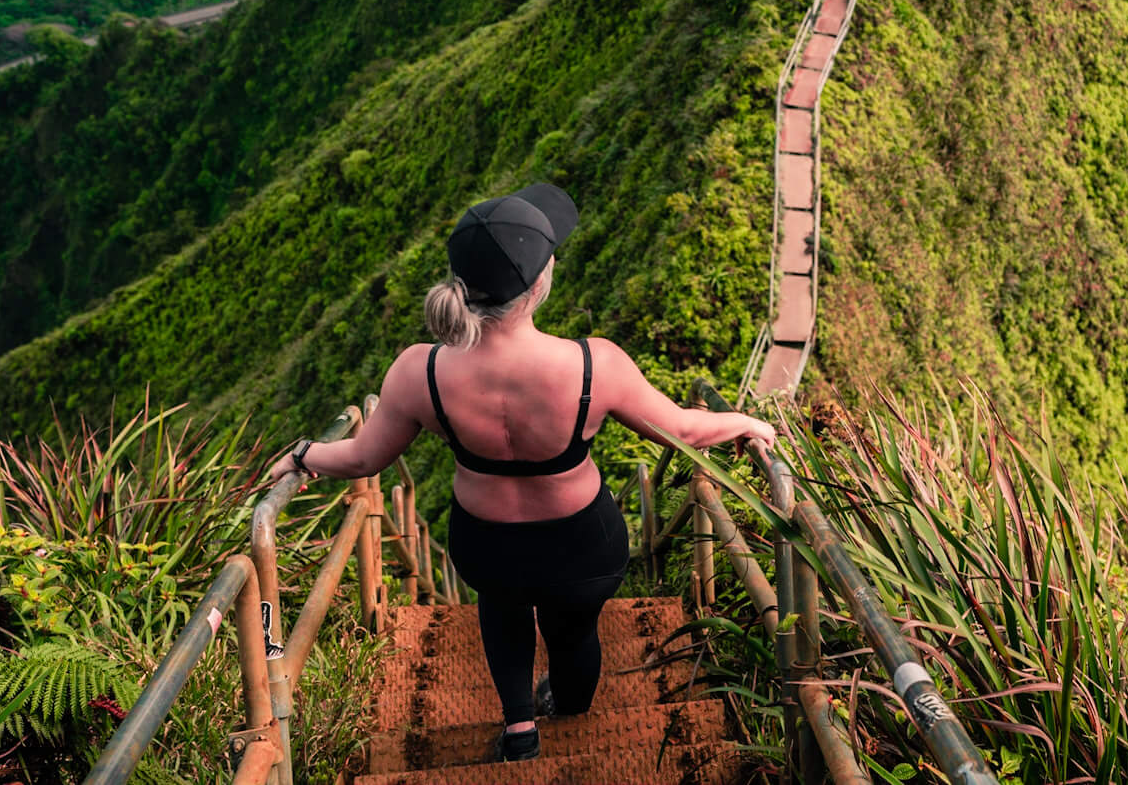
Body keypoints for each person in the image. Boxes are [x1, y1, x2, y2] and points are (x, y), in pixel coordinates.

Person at [268, 182, 776, 762]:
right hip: (583, 544)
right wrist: (743, 423)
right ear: (539, 285)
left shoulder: (420, 371)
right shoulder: (593, 365)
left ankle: (519, 731)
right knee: (575, 633)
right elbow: (682, 431)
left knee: (503, 613)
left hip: (487, 544)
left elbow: (362, 459)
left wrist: (303, 453)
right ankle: (572, 717)